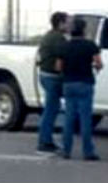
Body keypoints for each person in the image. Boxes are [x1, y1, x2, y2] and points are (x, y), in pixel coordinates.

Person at [57, 17, 103, 161]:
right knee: (85, 119)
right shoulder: (90, 45)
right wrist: (95, 68)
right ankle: (88, 151)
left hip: (68, 83)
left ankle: (66, 150)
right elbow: (99, 63)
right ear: (84, 30)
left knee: (69, 118)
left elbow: (58, 67)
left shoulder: (65, 46)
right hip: (85, 83)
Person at [36, 11, 69, 153]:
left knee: (51, 109)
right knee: (50, 111)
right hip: (53, 77)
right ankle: (44, 142)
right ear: (60, 23)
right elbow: (63, 57)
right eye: (68, 22)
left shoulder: (49, 36)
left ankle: (46, 140)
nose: (70, 25)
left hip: (46, 75)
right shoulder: (58, 39)